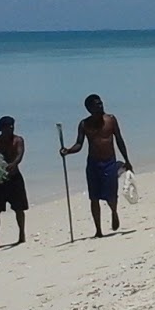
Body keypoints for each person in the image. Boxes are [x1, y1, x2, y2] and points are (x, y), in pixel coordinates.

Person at [60, 94, 133, 237]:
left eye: (101, 103)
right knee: (94, 197)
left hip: (109, 162)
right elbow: (79, 144)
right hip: (93, 163)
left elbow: (119, 140)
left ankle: (114, 211)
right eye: (96, 104)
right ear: (89, 108)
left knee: (111, 195)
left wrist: (127, 160)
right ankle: (98, 230)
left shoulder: (111, 119)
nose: (100, 106)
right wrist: (67, 151)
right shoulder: (84, 124)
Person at [0, 116, 28, 249]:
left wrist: (14, 163)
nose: (10, 129)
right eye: (8, 126)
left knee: (19, 208)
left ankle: (21, 234)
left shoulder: (18, 140)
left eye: (12, 126)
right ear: (1, 128)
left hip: (14, 178)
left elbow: (20, 155)